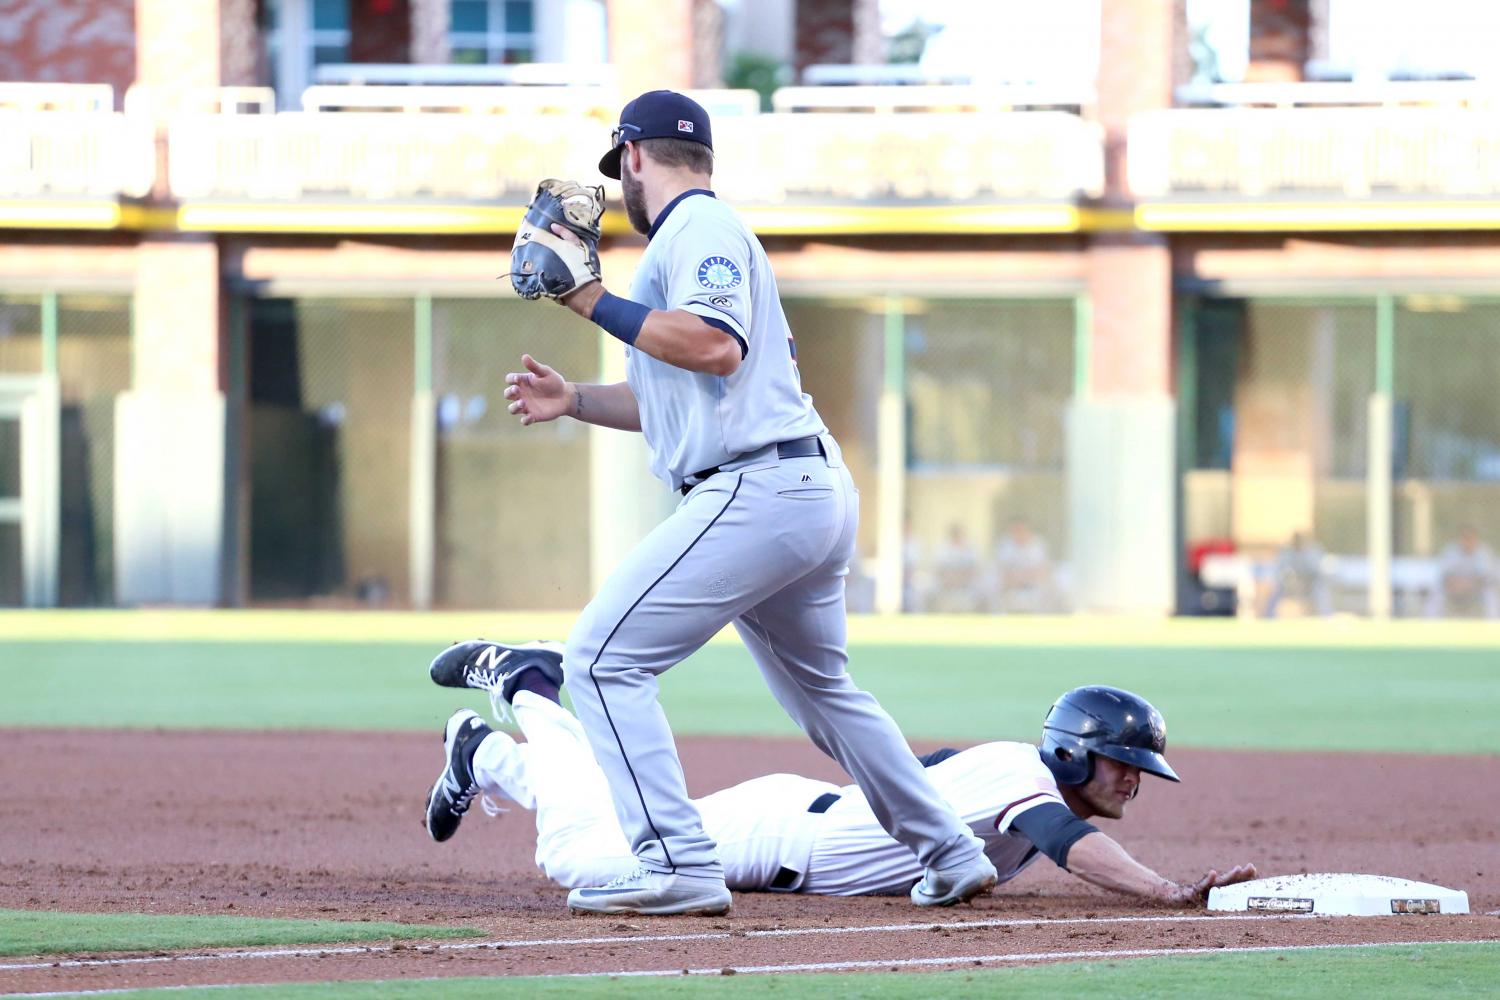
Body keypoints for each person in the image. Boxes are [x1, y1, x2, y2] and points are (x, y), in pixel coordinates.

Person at [436, 90, 995, 916]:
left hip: (760, 491)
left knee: (599, 660)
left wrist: (588, 299)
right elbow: (683, 386)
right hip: (797, 488)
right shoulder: (700, 239)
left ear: (632, 156)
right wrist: (576, 401)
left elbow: (713, 347)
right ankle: (949, 852)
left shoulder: (695, 226)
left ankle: (676, 864)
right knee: (826, 695)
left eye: (619, 168)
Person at [424, 654, 1256, 907]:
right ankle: (529, 689)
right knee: (574, 855)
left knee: (612, 822)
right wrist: (1169, 893)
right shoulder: (1024, 776)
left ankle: (486, 756)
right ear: (1074, 751)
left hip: (788, 816)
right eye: (1125, 763)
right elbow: (1074, 846)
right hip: (771, 838)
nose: (1135, 782)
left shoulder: (1000, 768)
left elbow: (914, 772)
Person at [1429, 525, 1499, 619]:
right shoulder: (1451, 551)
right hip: (1453, 589)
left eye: (1470, 538)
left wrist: (1469, 585)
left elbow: (1485, 578)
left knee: (1490, 596)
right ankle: (1430, 624)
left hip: (1477, 590)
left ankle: (1493, 626)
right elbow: (1445, 576)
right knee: (1437, 595)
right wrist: (1455, 585)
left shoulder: (1483, 552)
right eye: (1465, 538)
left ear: (1475, 539)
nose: (1468, 541)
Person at [992, 517, 1054, 613]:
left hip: (1034, 587)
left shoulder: (1038, 545)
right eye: (1016, 530)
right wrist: (1020, 578)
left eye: (1021, 530)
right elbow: (1002, 572)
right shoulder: (1005, 546)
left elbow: (1043, 570)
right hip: (1010, 588)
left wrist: (1022, 576)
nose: (1019, 533)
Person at [1262, 531, 1331, 618]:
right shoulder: (1288, 552)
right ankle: (1268, 616)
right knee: (1276, 590)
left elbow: (1317, 571)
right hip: (1292, 585)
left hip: (1310, 585)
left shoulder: (1312, 552)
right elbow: (1280, 570)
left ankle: (1326, 616)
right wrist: (1289, 580)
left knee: (1320, 590)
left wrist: (1305, 580)